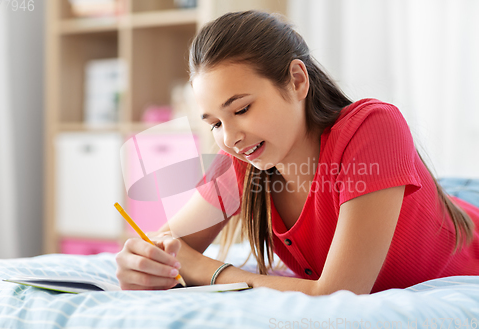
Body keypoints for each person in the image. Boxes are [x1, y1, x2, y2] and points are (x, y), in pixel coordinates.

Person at [115, 10, 479, 295]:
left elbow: (339, 294)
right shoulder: (242, 162)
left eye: (241, 109)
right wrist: (143, 264)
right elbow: (169, 248)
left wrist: (212, 271)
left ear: (298, 80)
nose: (230, 138)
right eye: (214, 123)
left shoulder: (373, 127)